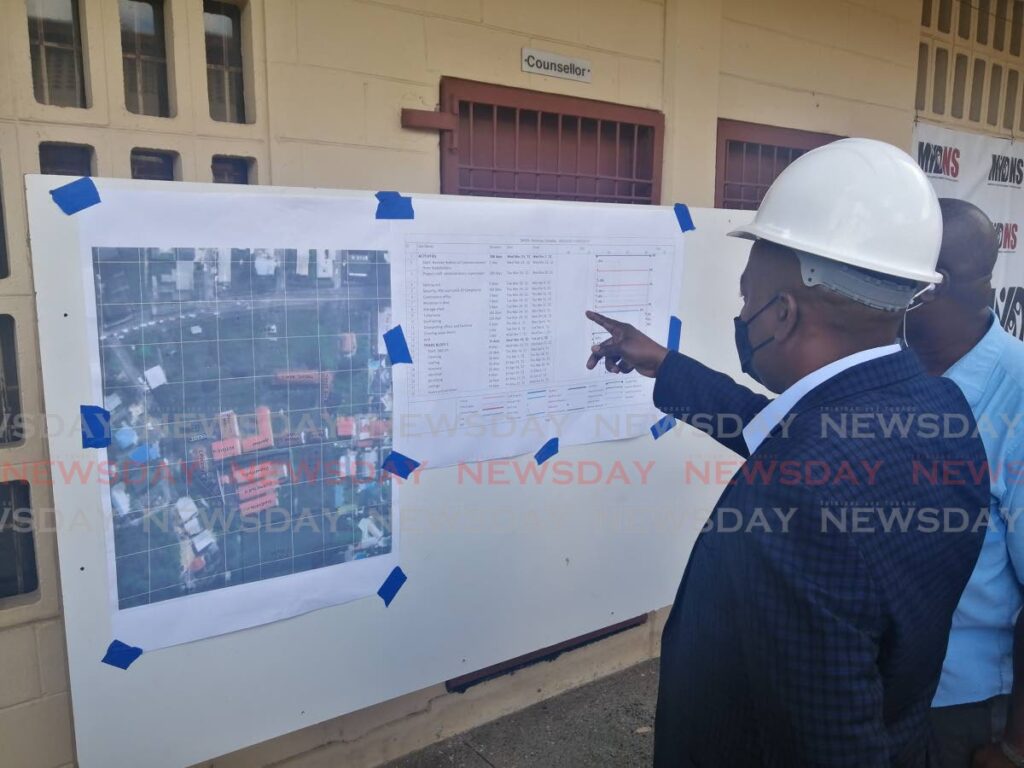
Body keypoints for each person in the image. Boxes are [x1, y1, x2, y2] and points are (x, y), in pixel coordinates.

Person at [585, 139, 990, 767]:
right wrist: (666, 367)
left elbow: (832, 745)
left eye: (747, 299)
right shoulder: (940, 410)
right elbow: (788, 432)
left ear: (782, 314)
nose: (742, 314)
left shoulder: (796, 498)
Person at [904, 199, 1024, 768]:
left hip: (965, 709)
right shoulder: (891, 365)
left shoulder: (1017, 394)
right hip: (877, 686)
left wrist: (1014, 746)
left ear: (933, 285)